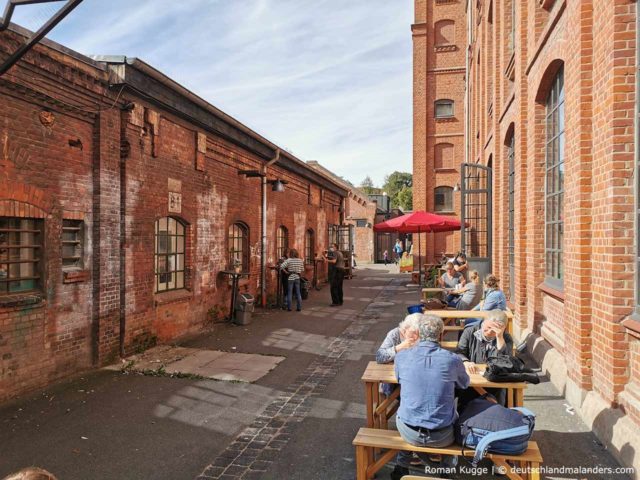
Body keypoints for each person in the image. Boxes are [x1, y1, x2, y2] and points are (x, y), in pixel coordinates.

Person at [392, 315, 470, 476]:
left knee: (404, 411)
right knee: (456, 415)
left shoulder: (401, 356)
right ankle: (446, 470)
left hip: (408, 431)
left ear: (419, 334)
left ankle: (401, 465)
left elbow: (399, 378)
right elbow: (464, 384)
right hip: (442, 435)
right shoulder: (452, 360)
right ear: (441, 335)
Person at [456, 310, 513, 407]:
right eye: (488, 328)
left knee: (498, 395)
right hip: (472, 379)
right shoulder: (470, 331)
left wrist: (499, 337)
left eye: (494, 330)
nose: (490, 332)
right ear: (483, 323)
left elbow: (504, 361)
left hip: (494, 383)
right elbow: (459, 352)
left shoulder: (505, 338)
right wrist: (466, 362)